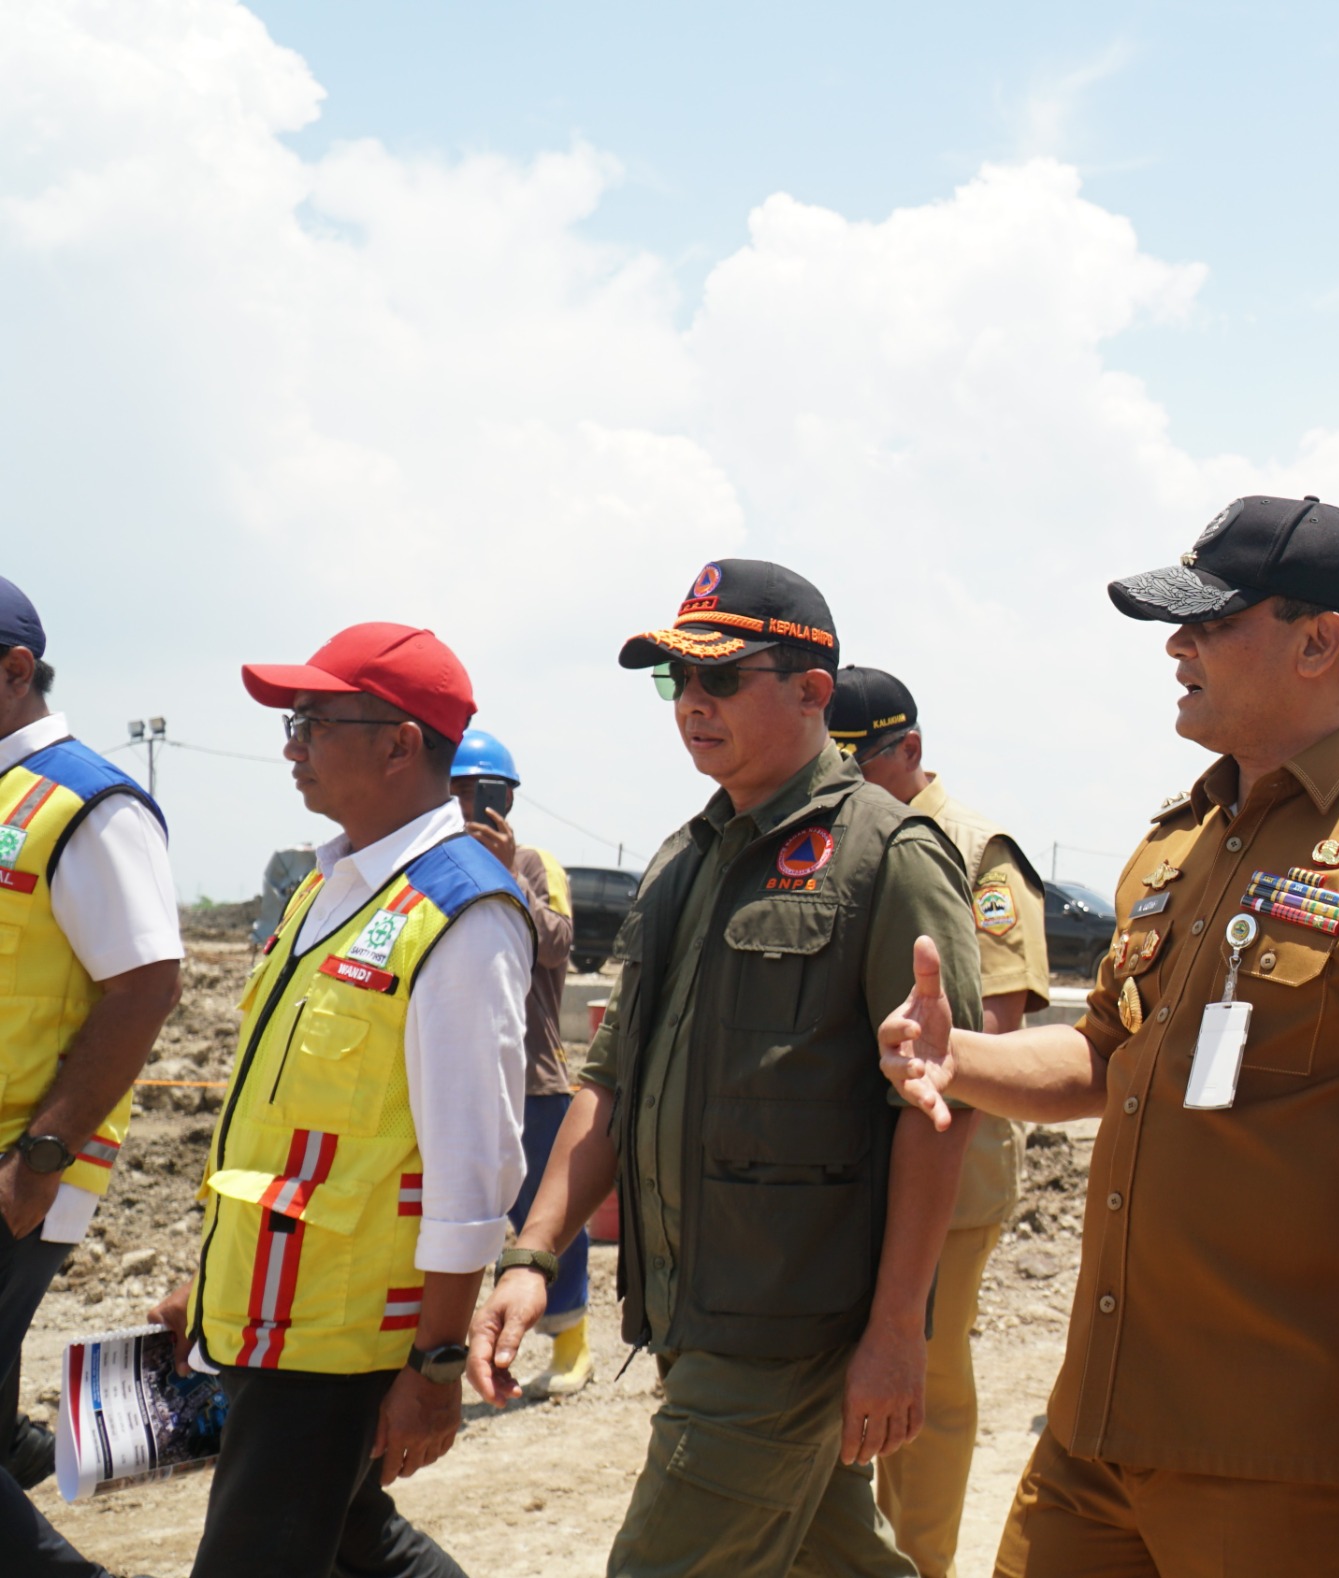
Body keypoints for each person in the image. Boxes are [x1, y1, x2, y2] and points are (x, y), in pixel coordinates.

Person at [878, 495, 1339, 1578]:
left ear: (1319, 641)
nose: (1177, 647)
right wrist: (959, 1059)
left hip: (1285, 1452)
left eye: (1211, 623)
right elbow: (1104, 1056)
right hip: (1099, 1423)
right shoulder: (1181, 841)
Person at [468, 560, 983, 1578]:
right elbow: (610, 1085)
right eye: (678, 684)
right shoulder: (682, 863)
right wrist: (533, 1255)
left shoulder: (888, 854)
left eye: (721, 680)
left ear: (812, 692)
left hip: (789, 1333)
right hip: (700, 1315)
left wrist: (895, 1333)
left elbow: (939, 1106)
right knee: (836, 1561)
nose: (693, 706)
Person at [152, 622, 532, 1578]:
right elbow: (279, 1126)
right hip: (277, 1309)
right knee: (357, 1541)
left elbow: (474, 1164)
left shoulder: (460, 910)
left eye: (314, 721)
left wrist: (437, 1363)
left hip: (344, 1328)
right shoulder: (329, 889)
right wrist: (215, 1287)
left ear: (401, 742)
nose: (291, 745)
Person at [830, 664, 1051, 1578]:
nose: (840, 787)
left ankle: (921, 1564)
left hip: (953, 1164)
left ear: (908, 750)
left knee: (926, 1377)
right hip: (854, 1158)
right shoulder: (837, 834)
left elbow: (997, 1027)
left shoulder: (975, 850)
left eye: (858, 766)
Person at [0, 577, 182, 1578]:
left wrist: (40, 1158)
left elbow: (146, 985)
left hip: (20, 1164)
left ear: (16, 671)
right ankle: (39, 1448)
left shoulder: (88, 804)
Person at [447, 729, 590, 1396]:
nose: (471, 803)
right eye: (459, 790)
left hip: (533, 1077)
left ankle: (572, 1345)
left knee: (547, 1215)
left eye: (484, 792)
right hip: (459, 1076)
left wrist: (506, 873)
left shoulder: (535, 864)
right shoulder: (437, 865)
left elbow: (558, 945)